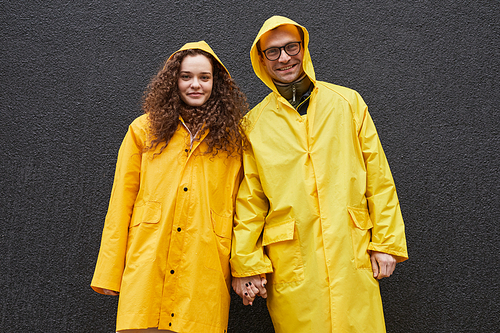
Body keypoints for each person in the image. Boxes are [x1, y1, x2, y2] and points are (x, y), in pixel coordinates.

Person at [230, 16, 408, 332]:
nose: (284, 57)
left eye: (290, 47)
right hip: (292, 260)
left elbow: (378, 178)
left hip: (350, 249)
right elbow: (250, 201)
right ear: (261, 60)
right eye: (273, 52)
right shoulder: (254, 125)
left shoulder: (347, 103)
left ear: (304, 48)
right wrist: (245, 263)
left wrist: (386, 242)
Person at [91, 41, 247, 333]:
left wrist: (245, 269)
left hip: (204, 269)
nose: (195, 85)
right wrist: (110, 274)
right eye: (186, 76)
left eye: (204, 77)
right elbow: (120, 203)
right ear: (173, 80)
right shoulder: (143, 130)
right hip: (149, 266)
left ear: (217, 83)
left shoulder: (233, 140)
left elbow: (245, 207)